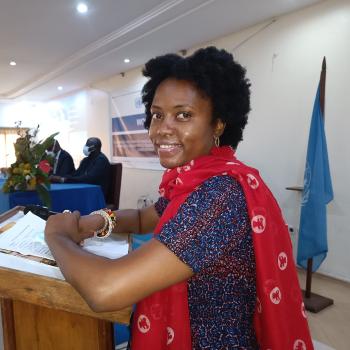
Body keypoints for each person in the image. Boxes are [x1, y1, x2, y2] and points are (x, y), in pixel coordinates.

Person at [45, 47, 313, 349]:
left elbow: (105, 290)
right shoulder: (190, 181)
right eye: (157, 115)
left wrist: (58, 236)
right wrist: (96, 222)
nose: (161, 129)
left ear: (219, 125)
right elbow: (146, 217)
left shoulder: (220, 195)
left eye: (183, 115)